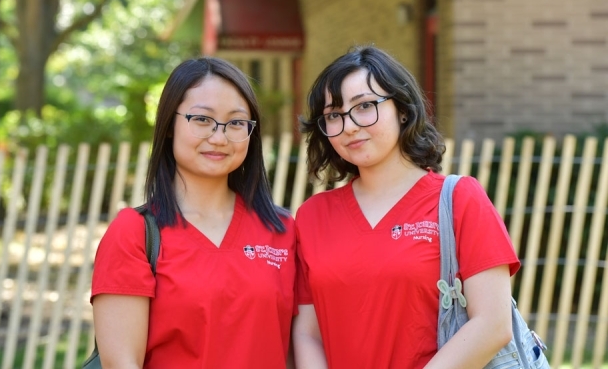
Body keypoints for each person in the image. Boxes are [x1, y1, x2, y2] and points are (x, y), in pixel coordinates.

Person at [292, 46, 520, 368]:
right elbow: (307, 334)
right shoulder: (312, 216)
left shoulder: (458, 199)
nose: (351, 126)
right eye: (334, 115)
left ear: (402, 109)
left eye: (365, 106)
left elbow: (493, 325)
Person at [91, 57, 296, 368]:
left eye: (237, 122)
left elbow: (299, 346)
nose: (219, 137)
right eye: (202, 119)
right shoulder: (134, 233)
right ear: (170, 125)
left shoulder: (283, 229)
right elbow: (122, 363)